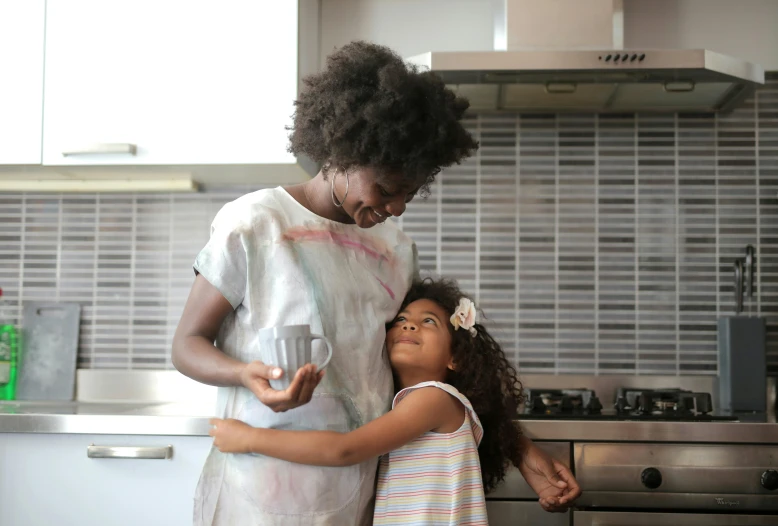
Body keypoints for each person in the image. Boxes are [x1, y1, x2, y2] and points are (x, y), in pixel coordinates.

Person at [172, 40, 579, 525]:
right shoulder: (255, 223)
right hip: (261, 494)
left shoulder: (394, 248)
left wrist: (524, 451)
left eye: (409, 193)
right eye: (385, 189)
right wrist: (243, 374)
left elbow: (441, 371)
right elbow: (186, 344)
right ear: (344, 151)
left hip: (360, 495)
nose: (397, 207)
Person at [210, 278, 579, 525]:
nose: (408, 325)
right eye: (401, 319)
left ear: (456, 358)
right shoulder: (410, 402)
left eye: (429, 321)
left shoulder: (435, 399)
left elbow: (345, 450)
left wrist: (249, 439)